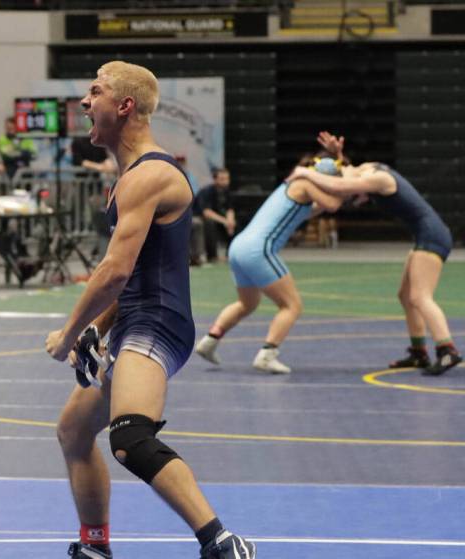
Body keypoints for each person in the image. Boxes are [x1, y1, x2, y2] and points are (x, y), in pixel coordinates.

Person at [44, 61, 256, 559]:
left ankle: (224, 543)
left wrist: (68, 332)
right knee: (74, 431)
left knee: (131, 438)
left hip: (156, 324)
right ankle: (95, 546)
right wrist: (96, 330)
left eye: (94, 91)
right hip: (134, 318)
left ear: (124, 106)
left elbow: (114, 270)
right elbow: (137, 271)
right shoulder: (130, 176)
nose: (83, 101)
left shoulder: (149, 176)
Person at [288, 131, 462, 375]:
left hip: (432, 235)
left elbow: (341, 184)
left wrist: (305, 173)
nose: (351, 198)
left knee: (420, 296)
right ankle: (419, 353)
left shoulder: (378, 178)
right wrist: (336, 156)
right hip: (427, 234)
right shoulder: (366, 168)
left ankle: (447, 351)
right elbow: (345, 178)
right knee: (405, 295)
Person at [195, 156, 345, 374]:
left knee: (247, 303)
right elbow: (332, 205)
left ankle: (209, 341)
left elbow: (314, 209)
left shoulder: (295, 186)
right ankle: (267, 354)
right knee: (292, 306)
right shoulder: (305, 184)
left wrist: (338, 160)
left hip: (239, 247)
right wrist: (347, 188)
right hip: (258, 250)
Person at [194, 167, 236, 263]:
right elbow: (207, 212)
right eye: (222, 179)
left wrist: (230, 221)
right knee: (210, 223)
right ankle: (212, 256)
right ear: (215, 179)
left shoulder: (227, 191)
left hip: (218, 218)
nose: (225, 181)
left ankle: (230, 254)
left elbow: (230, 209)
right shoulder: (206, 191)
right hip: (200, 217)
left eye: (227, 179)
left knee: (234, 223)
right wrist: (225, 221)